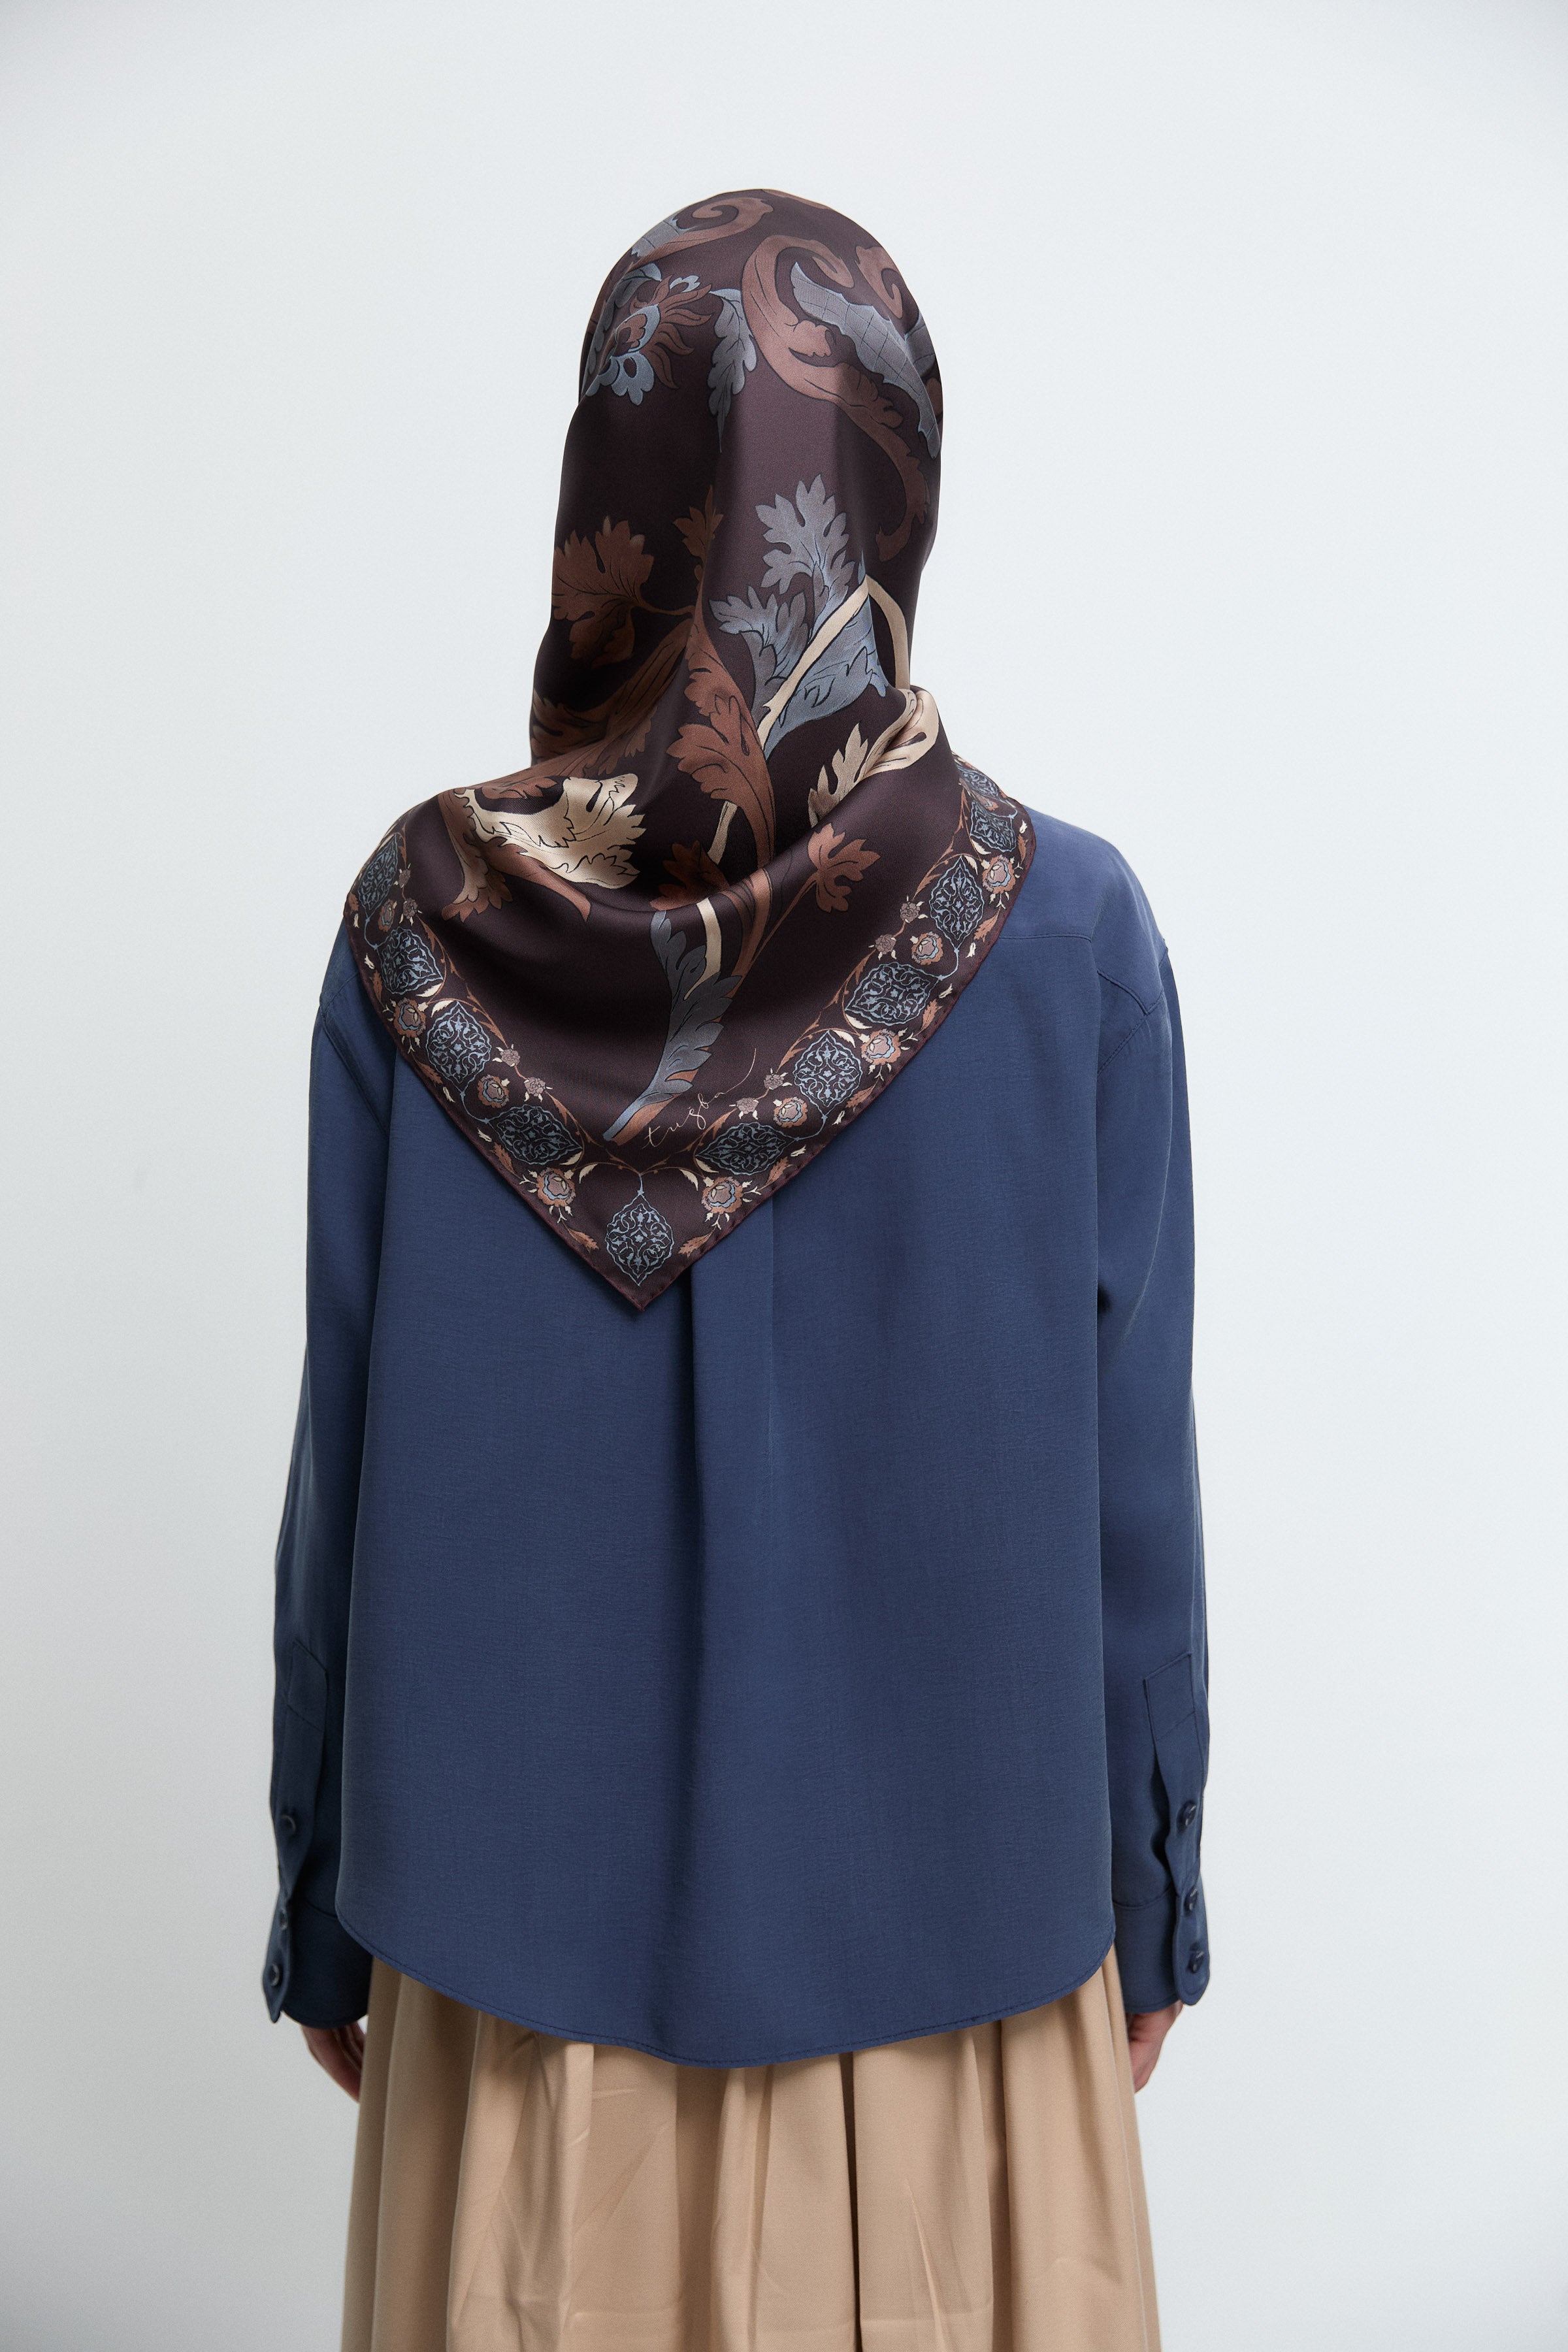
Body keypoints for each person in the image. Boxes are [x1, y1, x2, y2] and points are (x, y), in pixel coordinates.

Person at [265, 188, 1209, 2352]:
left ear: (607, 494)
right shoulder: (1069, 939)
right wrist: (1149, 1900)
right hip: (967, 1998)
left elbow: (344, 1454)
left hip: (512, 2016)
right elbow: (1131, 1493)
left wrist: (323, 1897)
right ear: (894, 490)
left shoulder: (417, 934)